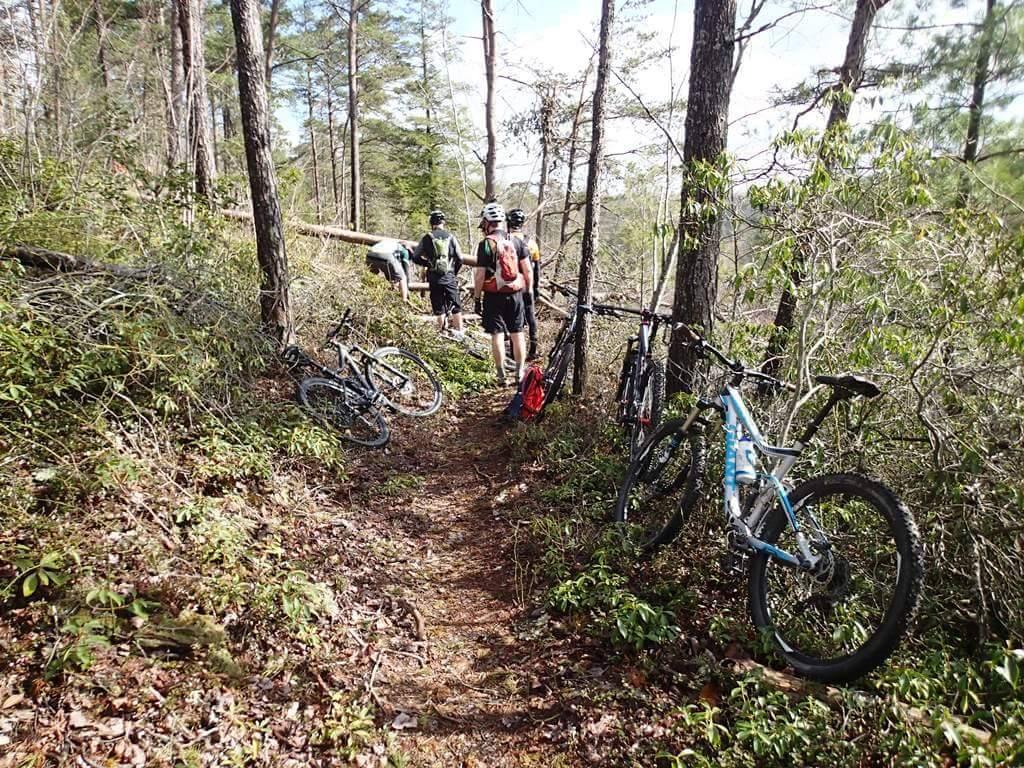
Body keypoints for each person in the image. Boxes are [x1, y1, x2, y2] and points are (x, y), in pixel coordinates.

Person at [473, 202, 532, 385]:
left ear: (487, 222)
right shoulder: (517, 241)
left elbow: (480, 274)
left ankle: (501, 376)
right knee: (518, 333)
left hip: (493, 295)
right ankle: (519, 372)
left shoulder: (486, 244)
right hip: (516, 294)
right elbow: (527, 270)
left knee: (497, 335)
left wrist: (477, 298)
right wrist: (528, 291)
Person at [412, 210, 464, 335]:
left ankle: (443, 333)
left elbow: (415, 257)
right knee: (456, 304)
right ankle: (460, 333)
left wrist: (428, 264)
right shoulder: (451, 237)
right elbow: (460, 258)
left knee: (438, 305)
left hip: (434, 277)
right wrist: (453, 272)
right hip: (449, 276)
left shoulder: (427, 238)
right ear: (443, 222)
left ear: (431, 223)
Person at [506, 208, 541, 360]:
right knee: (531, 316)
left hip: (512, 287)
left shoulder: (506, 241)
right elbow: (536, 269)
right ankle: (533, 348)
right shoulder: (532, 243)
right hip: (528, 286)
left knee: (515, 320)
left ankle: (514, 353)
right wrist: (536, 288)